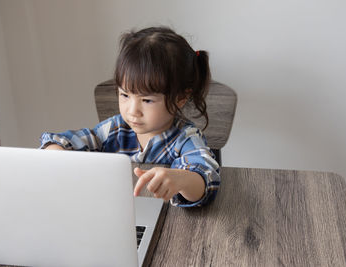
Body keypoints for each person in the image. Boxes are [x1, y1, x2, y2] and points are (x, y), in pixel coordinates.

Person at [40, 26, 220, 207]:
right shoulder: (114, 129)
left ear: (181, 98)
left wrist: (183, 179)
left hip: (170, 223)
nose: (133, 111)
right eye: (125, 95)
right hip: (114, 211)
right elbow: (65, 141)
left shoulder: (185, 138)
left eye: (147, 100)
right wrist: (57, 153)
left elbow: (206, 179)